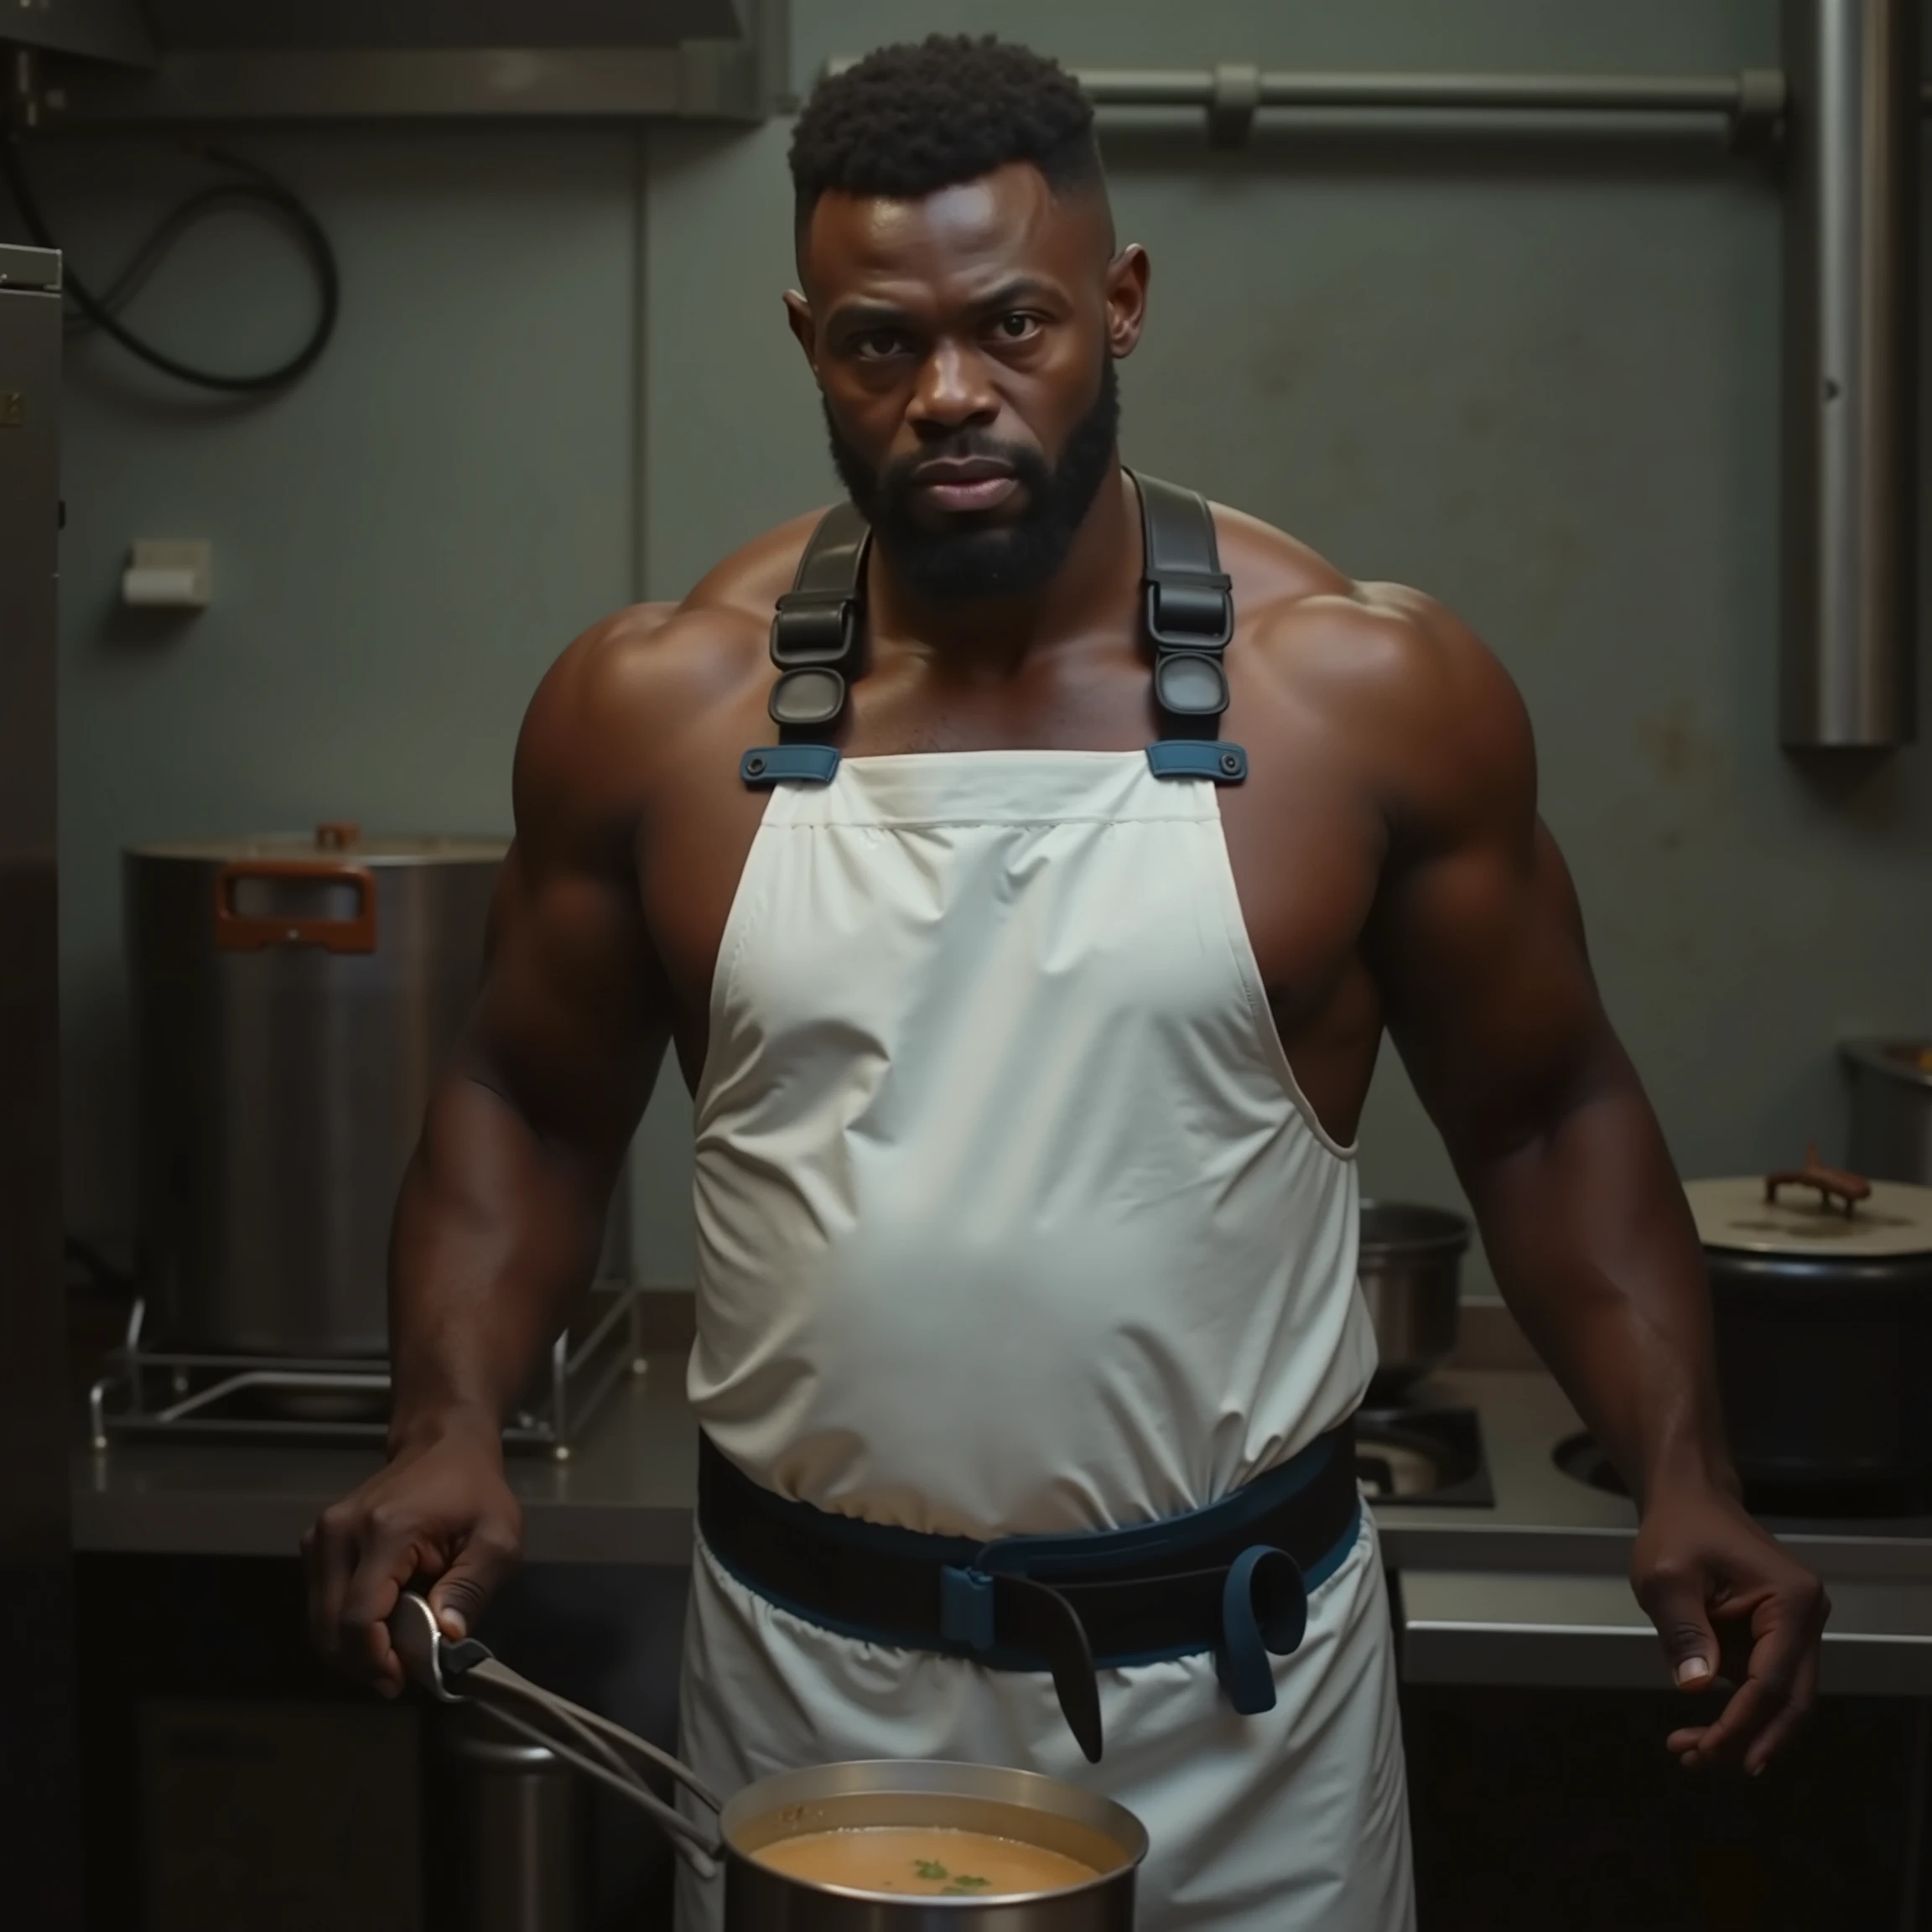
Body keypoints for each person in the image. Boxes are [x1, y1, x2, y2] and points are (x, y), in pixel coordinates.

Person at [304, 35, 1827, 1932]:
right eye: (882, 342)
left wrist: (1684, 1465)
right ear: (808, 342)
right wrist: (445, 1423)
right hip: (806, 1703)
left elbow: (1546, 1112)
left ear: (1120, 304)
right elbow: (527, 1107)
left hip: (1244, 1723)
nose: (949, 392)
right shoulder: (657, 711)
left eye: (1011, 324)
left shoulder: (1357, 698)